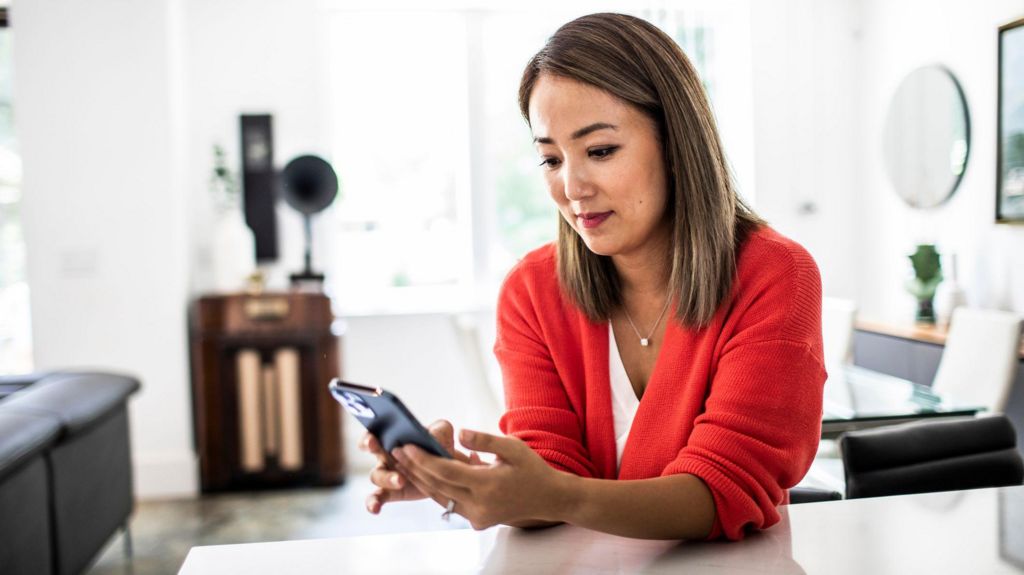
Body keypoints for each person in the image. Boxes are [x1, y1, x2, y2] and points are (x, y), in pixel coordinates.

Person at [360, 12, 826, 541]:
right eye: (551, 159)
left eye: (600, 151)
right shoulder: (531, 291)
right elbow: (550, 472)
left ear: (676, 146)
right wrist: (462, 480)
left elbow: (725, 491)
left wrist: (553, 494)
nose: (572, 187)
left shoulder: (774, 274)